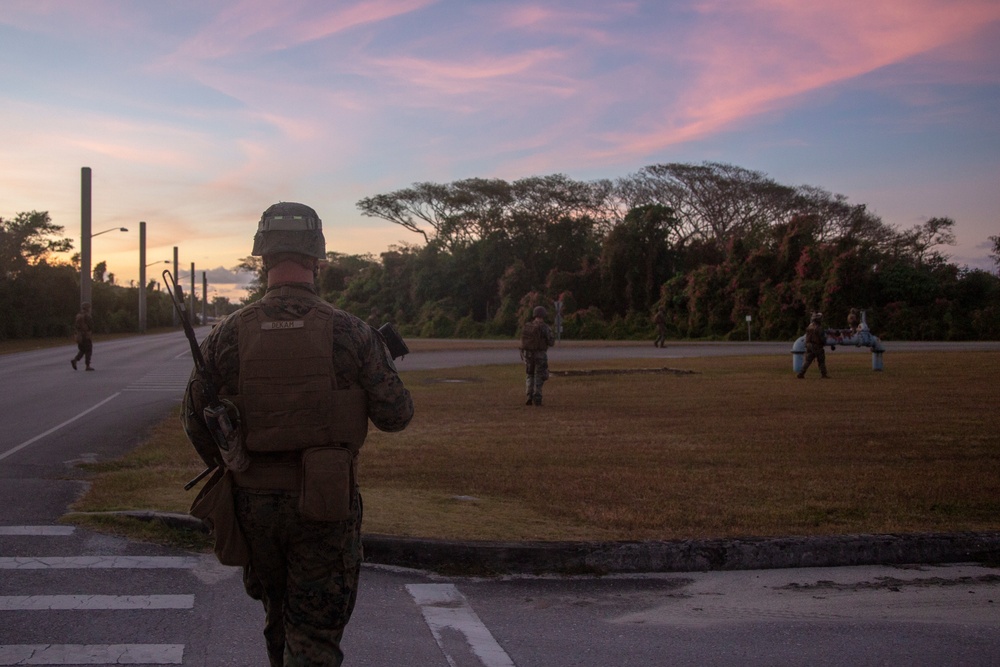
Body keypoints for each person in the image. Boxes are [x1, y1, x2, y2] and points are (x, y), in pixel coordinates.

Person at [181, 202, 413, 667]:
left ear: (260, 258)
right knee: (313, 639)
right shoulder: (352, 332)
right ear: (317, 257)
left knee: (278, 617)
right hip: (324, 504)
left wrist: (238, 455)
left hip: (252, 505)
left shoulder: (227, 334)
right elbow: (396, 415)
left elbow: (195, 421)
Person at [520, 305, 555, 406]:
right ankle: (538, 398)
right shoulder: (545, 327)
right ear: (543, 315)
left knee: (529, 374)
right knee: (539, 375)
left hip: (528, 355)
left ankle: (529, 396)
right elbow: (551, 342)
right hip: (540, 355)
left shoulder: (528, 326)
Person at [797, 312, 830, 379]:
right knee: (821, 361)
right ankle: (823, 374)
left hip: (809, 346)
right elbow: (822, 339)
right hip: (817, 346)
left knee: (807, 361)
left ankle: (801, 373)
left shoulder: (809, 327)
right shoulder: (819, 328)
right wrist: (825, 342)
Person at [71, 302, 95, 371]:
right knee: (88, 350)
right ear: (88, 308)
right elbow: (91, 325)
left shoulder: (78, 315)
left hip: (79, 336)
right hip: (85, 335)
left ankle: (75, 360)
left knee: (82, 349)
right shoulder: (87, 316)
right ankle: (87, 366)